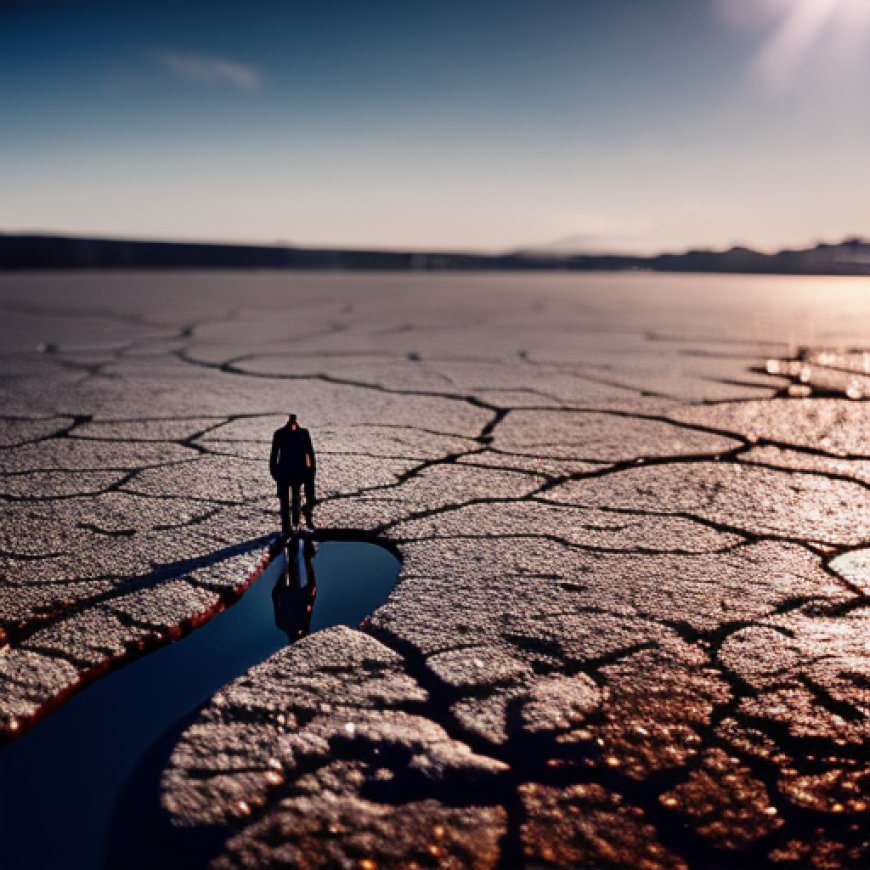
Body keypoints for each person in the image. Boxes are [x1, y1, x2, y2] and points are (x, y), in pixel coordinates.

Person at [269, 412, 317, 535]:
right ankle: (286, 527)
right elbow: (274, 455)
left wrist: (311, 471)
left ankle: (295, 524)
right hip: (284, 473)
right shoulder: (279, 434)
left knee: (296, 498)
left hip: (298, 472)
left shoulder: (303, 434)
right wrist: (274, 472)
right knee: (284, 500)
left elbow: (309, 453)